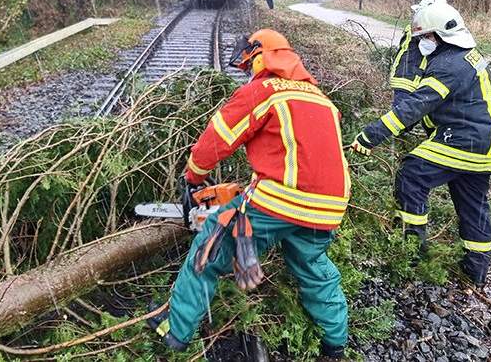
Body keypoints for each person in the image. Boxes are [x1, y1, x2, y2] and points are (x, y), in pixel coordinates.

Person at [148, 29, 351, 360]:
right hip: (329, 206)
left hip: (283, 198)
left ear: (261, 56)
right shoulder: (322, 99)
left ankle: (176, 329)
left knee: (210, 245)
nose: (247, 74)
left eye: (248, 66)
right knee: (313, 267)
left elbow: (219, 137)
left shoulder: (265, 91)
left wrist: (193, 177)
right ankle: (335, 342)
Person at [351, 0, 491, 287]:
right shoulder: (466, 55)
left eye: (424, 37)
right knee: (472, 204)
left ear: (438, 36)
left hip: (464, 140)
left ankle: (411, 252)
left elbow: (416, 105)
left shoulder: (449, 65)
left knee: (412, 174)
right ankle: (476, 271)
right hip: (488, 145)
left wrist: (371, 135)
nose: (422, 42)